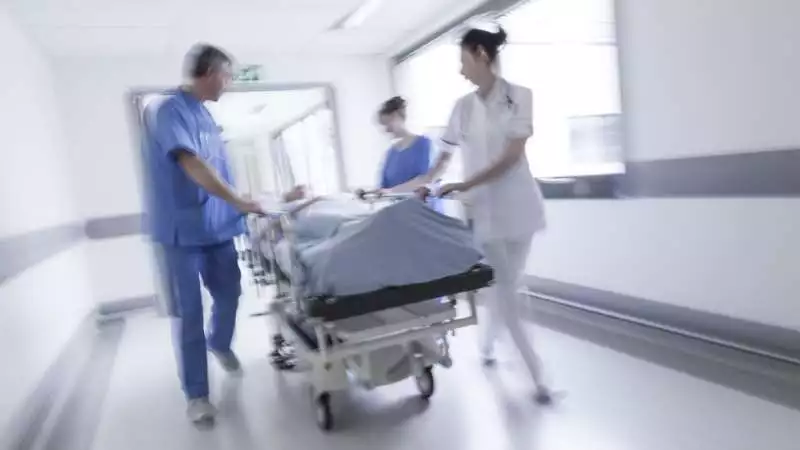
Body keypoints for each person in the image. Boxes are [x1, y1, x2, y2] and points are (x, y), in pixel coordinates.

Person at [142, 43, 304, 424]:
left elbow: (225, 177)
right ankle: (197, 394)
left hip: (217, 228)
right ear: (212, 73)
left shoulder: (208, 119)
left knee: (231, 294)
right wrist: (238, 201)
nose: (230, 84)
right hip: (181, 233)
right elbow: (191, 163)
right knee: (190, 313)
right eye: (228, 76)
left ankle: (220, 342)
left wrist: (270, 198)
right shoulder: (167, 110)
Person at [422, 27, 553, 404]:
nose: (461, 71)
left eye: (463, 61)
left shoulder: (519, 97)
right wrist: (426, 183)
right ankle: (539, 377)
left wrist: (462, 185)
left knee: (506, 285)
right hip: (485, 215)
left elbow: (511, 159)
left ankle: (487, 348)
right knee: (507, 290)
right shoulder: (462, 107)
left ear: (480, 54)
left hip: (520, 207)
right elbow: (443, 156)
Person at [366, 96, 441, 211]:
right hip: (400, 213)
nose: (386, 130)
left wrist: (391, 191)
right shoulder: (391, 153)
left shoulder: (423, 144)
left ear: (397, 117)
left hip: (424, 211)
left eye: (387, 123)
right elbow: (384, 187)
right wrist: (374, 193)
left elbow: (424, 179)